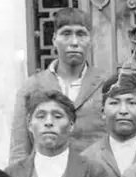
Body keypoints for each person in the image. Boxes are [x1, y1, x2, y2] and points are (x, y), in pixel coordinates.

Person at [9, 7, 107, 164]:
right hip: (47, 176)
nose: (74, 42)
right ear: (54, 39)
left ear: (91, 40)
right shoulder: (32, 86)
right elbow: (19, 148)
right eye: (66, 34)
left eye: (81, 34)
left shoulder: (106, 84)